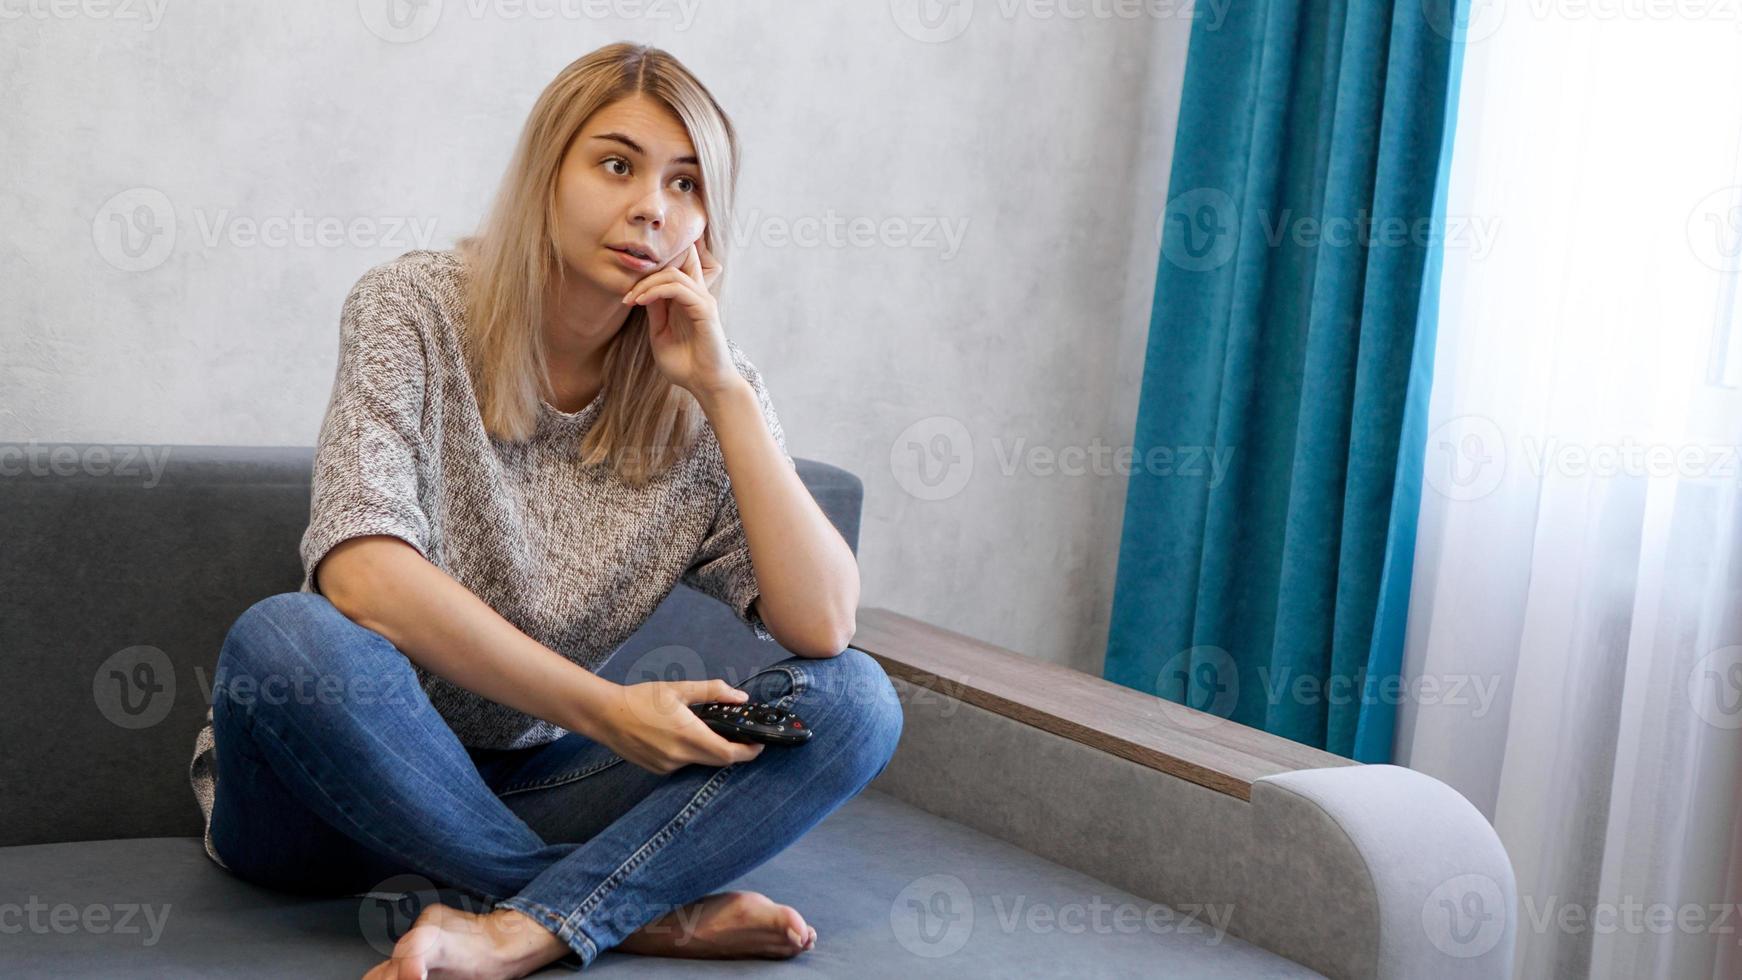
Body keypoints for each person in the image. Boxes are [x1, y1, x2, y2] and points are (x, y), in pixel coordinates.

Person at [185, 41, 903, 978]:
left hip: (530, 781)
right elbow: (362, 572)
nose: (652, 205)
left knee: (857, 701)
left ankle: (522, 920)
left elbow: (823, 624)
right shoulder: (412, 308)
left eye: (687, 186)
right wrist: (609, 712)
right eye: (617, 164)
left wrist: (725, 395)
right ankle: (619, 909)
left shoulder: (703, 386)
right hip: (320, 802)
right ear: (547, 176)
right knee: (289, 639)